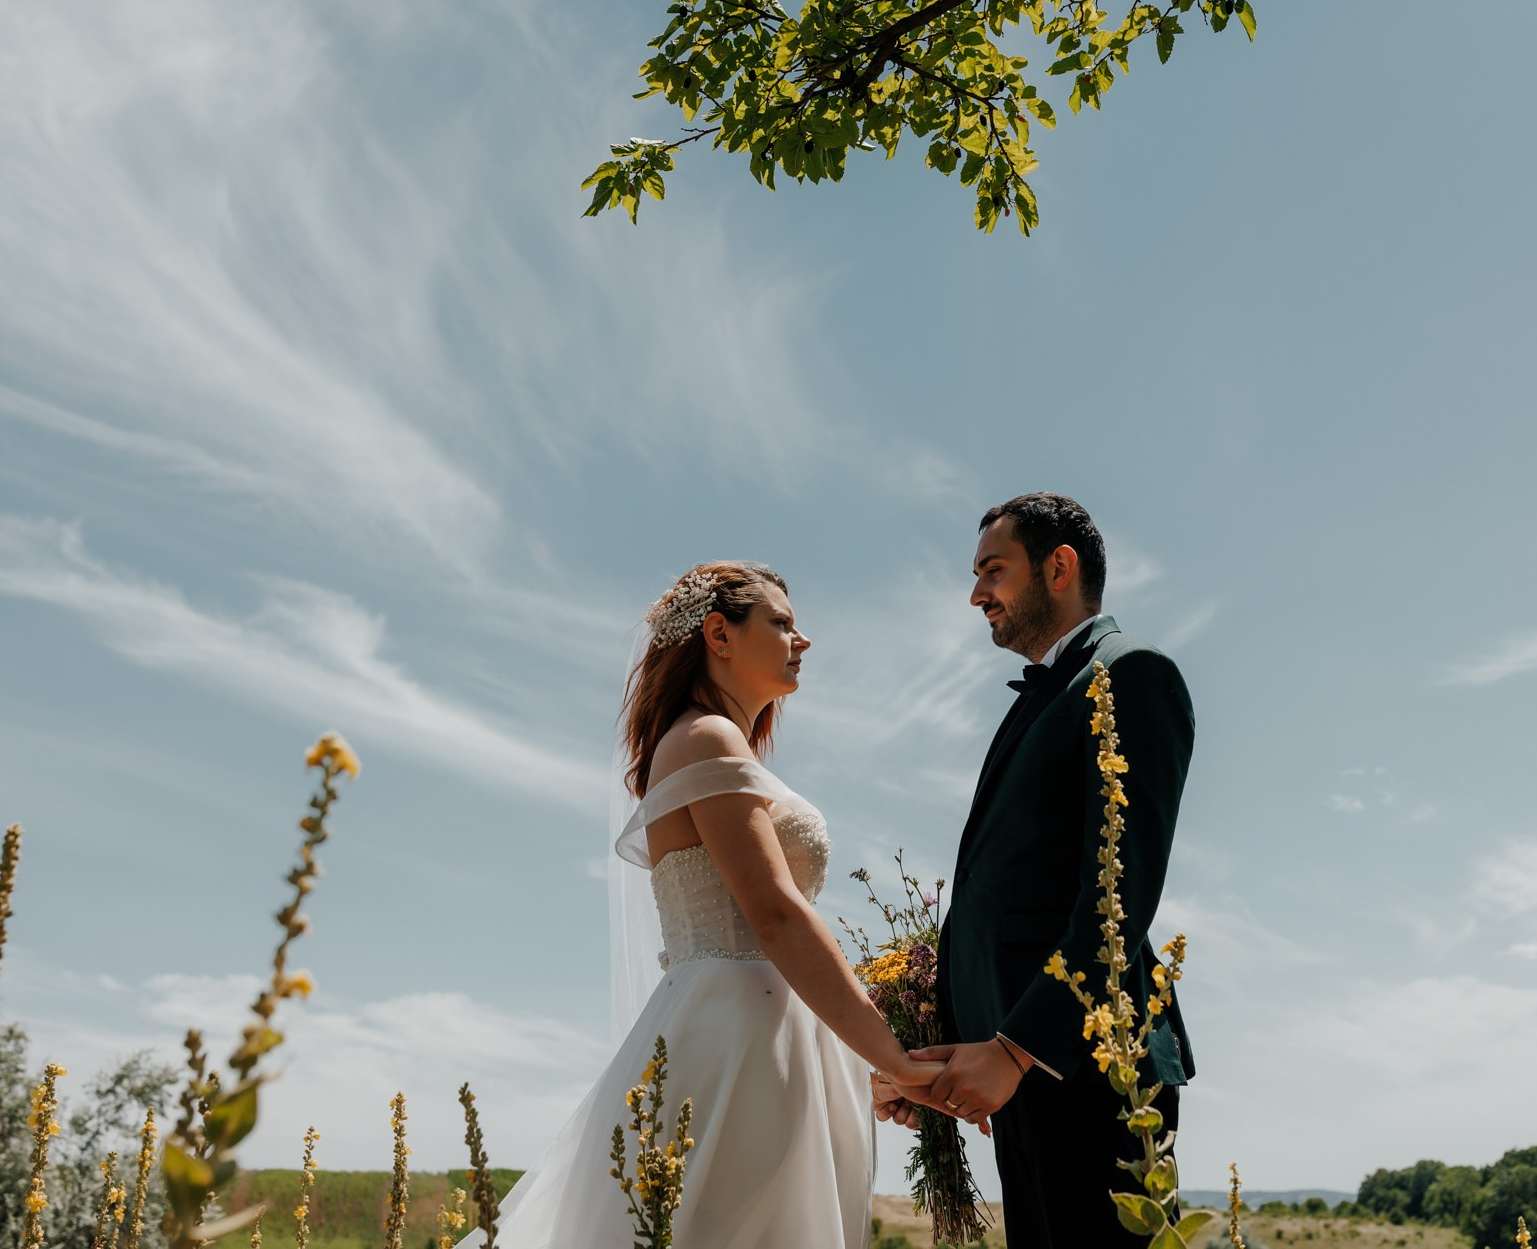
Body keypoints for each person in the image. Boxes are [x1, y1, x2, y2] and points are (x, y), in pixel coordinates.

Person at [469, 561, 941, 1249]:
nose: (801, 640)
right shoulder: (706, 737)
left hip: (763, 1031)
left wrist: (870, 1056)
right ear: (719, 633)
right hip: (738, 1042)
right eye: (781, 623)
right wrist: (895, 1059)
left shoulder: (710, 742)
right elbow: (775, 914)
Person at [882, 493, 1198, 1248]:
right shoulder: (1037, 698)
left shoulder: (1132, 674)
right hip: (1018, 1075)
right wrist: (932, 1057)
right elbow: (999, 902)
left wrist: (1016, 1049)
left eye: (994, 571)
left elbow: (1116, 904)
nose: (976, 594)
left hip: (1095, 1073)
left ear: (1059, 567)